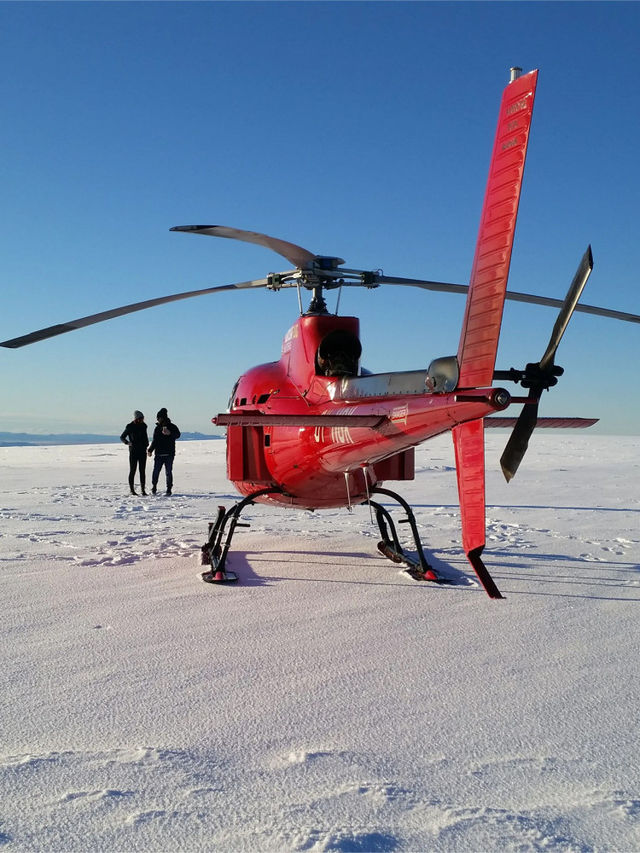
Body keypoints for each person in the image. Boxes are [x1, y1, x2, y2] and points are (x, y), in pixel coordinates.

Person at [147, 407, 181, 496]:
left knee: (168, 472)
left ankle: (169, 489)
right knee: (156, 471)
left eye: (158, 418)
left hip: (169, 454)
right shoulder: (157, 428)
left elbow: (178, 435)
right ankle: (154, 486)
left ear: (162, 418)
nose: (157, 420)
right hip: (159, 454)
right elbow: (155, 440)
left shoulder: (172, 427)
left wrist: (170, 433)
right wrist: (150, 450)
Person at [120, 410, 149, 495]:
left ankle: (143, 490)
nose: (142, 420)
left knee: (142, 470)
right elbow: (122, 437)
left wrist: (146, 445)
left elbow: (145, 437)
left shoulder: (144, 426)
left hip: (142, 451)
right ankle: (132, 490)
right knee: (133, 470)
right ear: (137, 418)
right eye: (141, 418)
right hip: (133, 451)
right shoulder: (130, 426)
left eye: (143, 418)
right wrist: (127, 442)